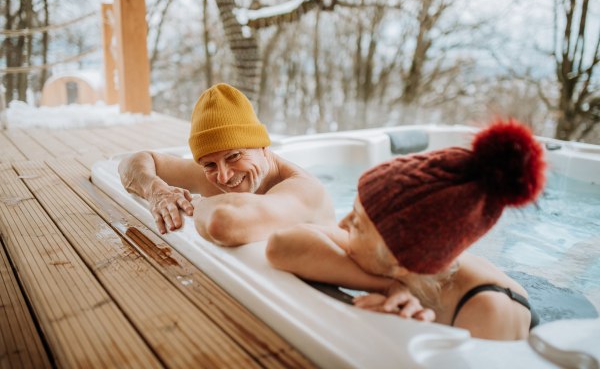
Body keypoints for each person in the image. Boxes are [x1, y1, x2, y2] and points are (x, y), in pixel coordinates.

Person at [266, 120, 545, 340]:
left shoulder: (486, 312)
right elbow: (281, 245)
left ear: (399, 260)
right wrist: (389, 287)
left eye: (358, 223)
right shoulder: (391, 254)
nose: (342, 224)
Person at [118, 83, 337, 246]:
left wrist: (197, 203)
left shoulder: (305, 190)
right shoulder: (216, 173)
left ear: (263, 147)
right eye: (209, 164)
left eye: (234, 156)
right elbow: (130, 162)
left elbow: (224, 224)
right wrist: (155, 189)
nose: (223, 177)